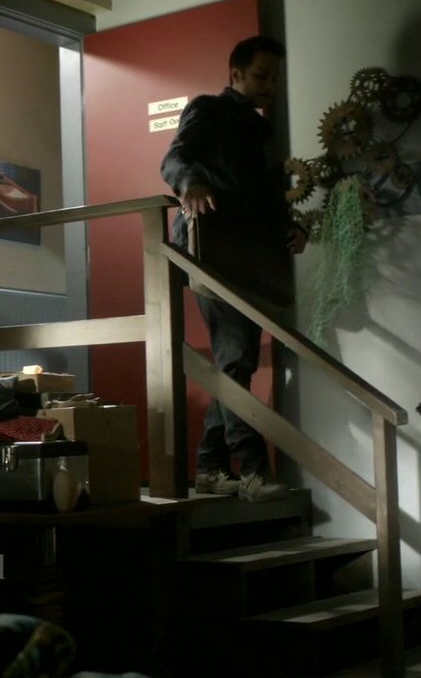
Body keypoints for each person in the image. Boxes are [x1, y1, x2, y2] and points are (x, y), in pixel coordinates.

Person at [160, 35, 307, 503]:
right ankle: (253, 469)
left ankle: (210, 465)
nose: (270, 86)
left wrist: (292, 227)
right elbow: (173, 158)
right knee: (236, 356)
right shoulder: (209, 109)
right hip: (212, 249)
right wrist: (191, 183)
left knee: (235, 359)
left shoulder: (260, 130)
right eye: (261, 75)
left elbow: (264, 196)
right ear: (236, 73)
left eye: (275, 78)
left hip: (248, 255)